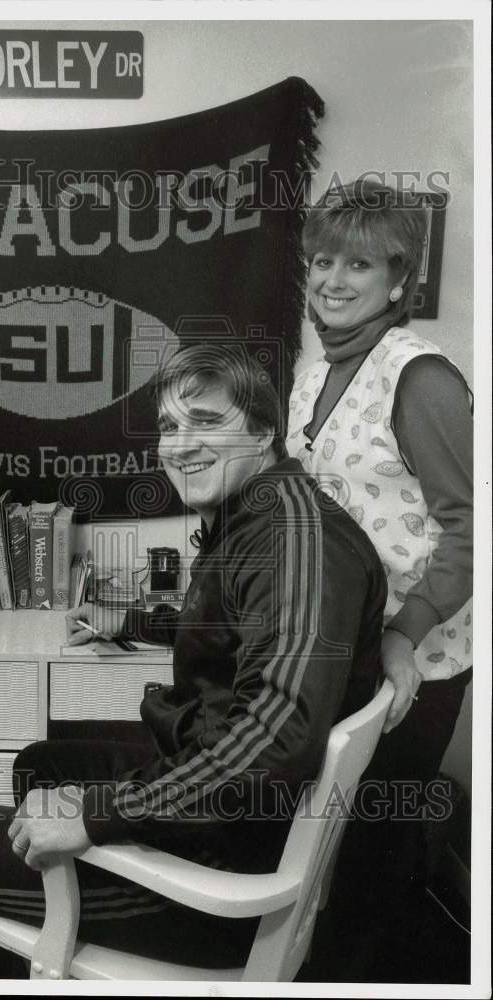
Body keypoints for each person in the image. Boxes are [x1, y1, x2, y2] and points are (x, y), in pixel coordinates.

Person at [0, 343, 387, 978]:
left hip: (223, 876)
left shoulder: (292, 544)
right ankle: (51, 940)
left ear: (264, 430)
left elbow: (274, 742)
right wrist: (130, 620)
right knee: (41, 766)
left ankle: (54, 929)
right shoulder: (264, 514)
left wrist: (99, 814)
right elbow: (238, 627)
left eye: (208, 422)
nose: (180, 446)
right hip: (228, 805)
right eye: (171, 427)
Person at [287, 177, 473, 975]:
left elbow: (476, 527)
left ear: (399, 281)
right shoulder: (316, 365)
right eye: (322, 259)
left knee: (368, 869)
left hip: (414, 666)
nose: (332, 280)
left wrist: (404, 633)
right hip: (347, 650)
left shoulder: (421, 378)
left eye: (357, 266)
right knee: (322, 859)